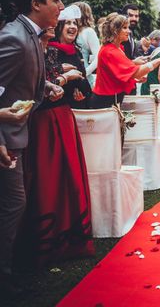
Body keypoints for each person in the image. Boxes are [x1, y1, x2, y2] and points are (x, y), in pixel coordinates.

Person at [0, 0, 64, 298]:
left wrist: (46, 87)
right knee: (13, 205)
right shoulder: (14, 37)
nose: (61, 7)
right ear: (36, 3)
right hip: (6, 139)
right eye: (55, 0)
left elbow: (24, 82)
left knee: (14, 206)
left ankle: (11, 271)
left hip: (19, 135)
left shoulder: (33, 35)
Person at [25, 23, 94, 267]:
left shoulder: (53, 53)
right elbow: (31, 88)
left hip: (63, 115)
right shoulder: (29, 49)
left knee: (70, 176)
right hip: (42, 120)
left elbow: (84, 87)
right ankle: (47, 240)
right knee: (47, 177)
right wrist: (66, 77)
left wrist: (74, 83)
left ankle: (71, 236)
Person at [90, 13, 160, 108]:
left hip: (110, 98)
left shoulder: (116, 48)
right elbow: (136, 72)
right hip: (105, 101)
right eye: (125, 28)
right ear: (115, 31)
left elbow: (118, 70)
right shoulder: (111, 51)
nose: (129, 31)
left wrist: (133, 67)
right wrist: (159, 60)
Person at [50, 15, 92, 109]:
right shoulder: (51, 51)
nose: (73, 26)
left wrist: (82, 94)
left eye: (75, 23)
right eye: (68, 23)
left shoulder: (76, 51)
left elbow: (82, 78)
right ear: (59, 27)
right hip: (57, 107)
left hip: (77, 106)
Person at [73, 1, 100, 87]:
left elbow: (98, 57)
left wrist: (85, 72)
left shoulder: (88, 32)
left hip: (85, 78)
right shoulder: (71, 31)